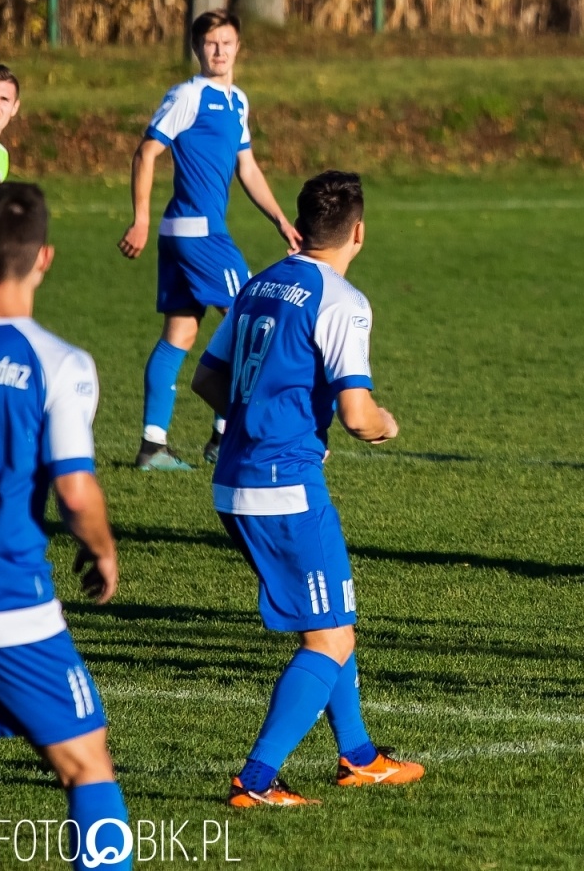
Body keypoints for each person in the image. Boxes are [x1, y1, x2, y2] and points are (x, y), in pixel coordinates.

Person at [191, 171, 423, 806]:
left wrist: (259, 412)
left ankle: (359, 756)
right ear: (358, 232)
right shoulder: (342, 300)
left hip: (233, 479)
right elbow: (356, 412)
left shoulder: (260, 282)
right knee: (330, 638)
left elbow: (207, 381)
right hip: (285, 487)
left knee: (331, 621)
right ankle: (256, 780)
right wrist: (384, 425)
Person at [0, 182, 134, 869]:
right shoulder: (57, 363)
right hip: (6, 601)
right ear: (44, 257)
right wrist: (101, 549)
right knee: (87, 765)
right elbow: (75, 492)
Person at [120, 9, 300, 471]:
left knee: (181, 332)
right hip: (199, 233)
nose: (219, 51)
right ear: (197, 49)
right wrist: (139, 218)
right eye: (210, 43)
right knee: (251, 320)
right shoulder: (188, 94)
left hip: (187, 234)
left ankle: (152, 445)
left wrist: (279, 218)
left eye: (227, 43)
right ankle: (226, 438)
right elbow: (146, 152)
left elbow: (248, 167)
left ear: (238, 47)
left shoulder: (238, 101)